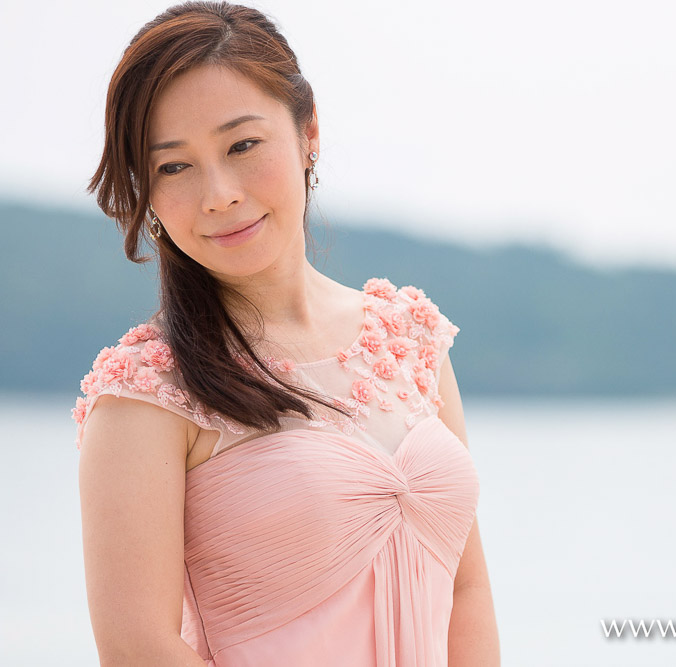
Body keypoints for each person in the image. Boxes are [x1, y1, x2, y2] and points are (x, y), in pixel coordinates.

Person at [71, 2, 500, 665]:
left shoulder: (410, 339)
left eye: (242, 145)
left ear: (308, 133)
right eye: (173, 166)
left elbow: (466, 588)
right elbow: (138, 648)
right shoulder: (146, 392)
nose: (218, 193)